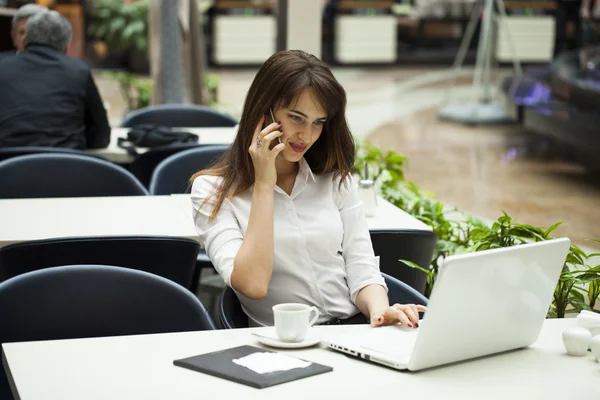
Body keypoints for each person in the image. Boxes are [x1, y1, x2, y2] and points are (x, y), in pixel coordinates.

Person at [191, 50, 426, 328]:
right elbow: (252, 285)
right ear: (262, 113)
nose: (307, 136)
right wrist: (264, 185)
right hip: (283, 344)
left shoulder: (334, 180)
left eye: (318, 122)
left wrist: (379, 311)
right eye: (296, 118)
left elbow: (361, 267)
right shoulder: (212, 193)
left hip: (353, 330)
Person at [0, 10, 110, 149]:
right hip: (63, 166)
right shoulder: (79, 72)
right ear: (66, 48)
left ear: (24, 40)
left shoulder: (2, 68)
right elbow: (101, 137)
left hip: (8, 166)